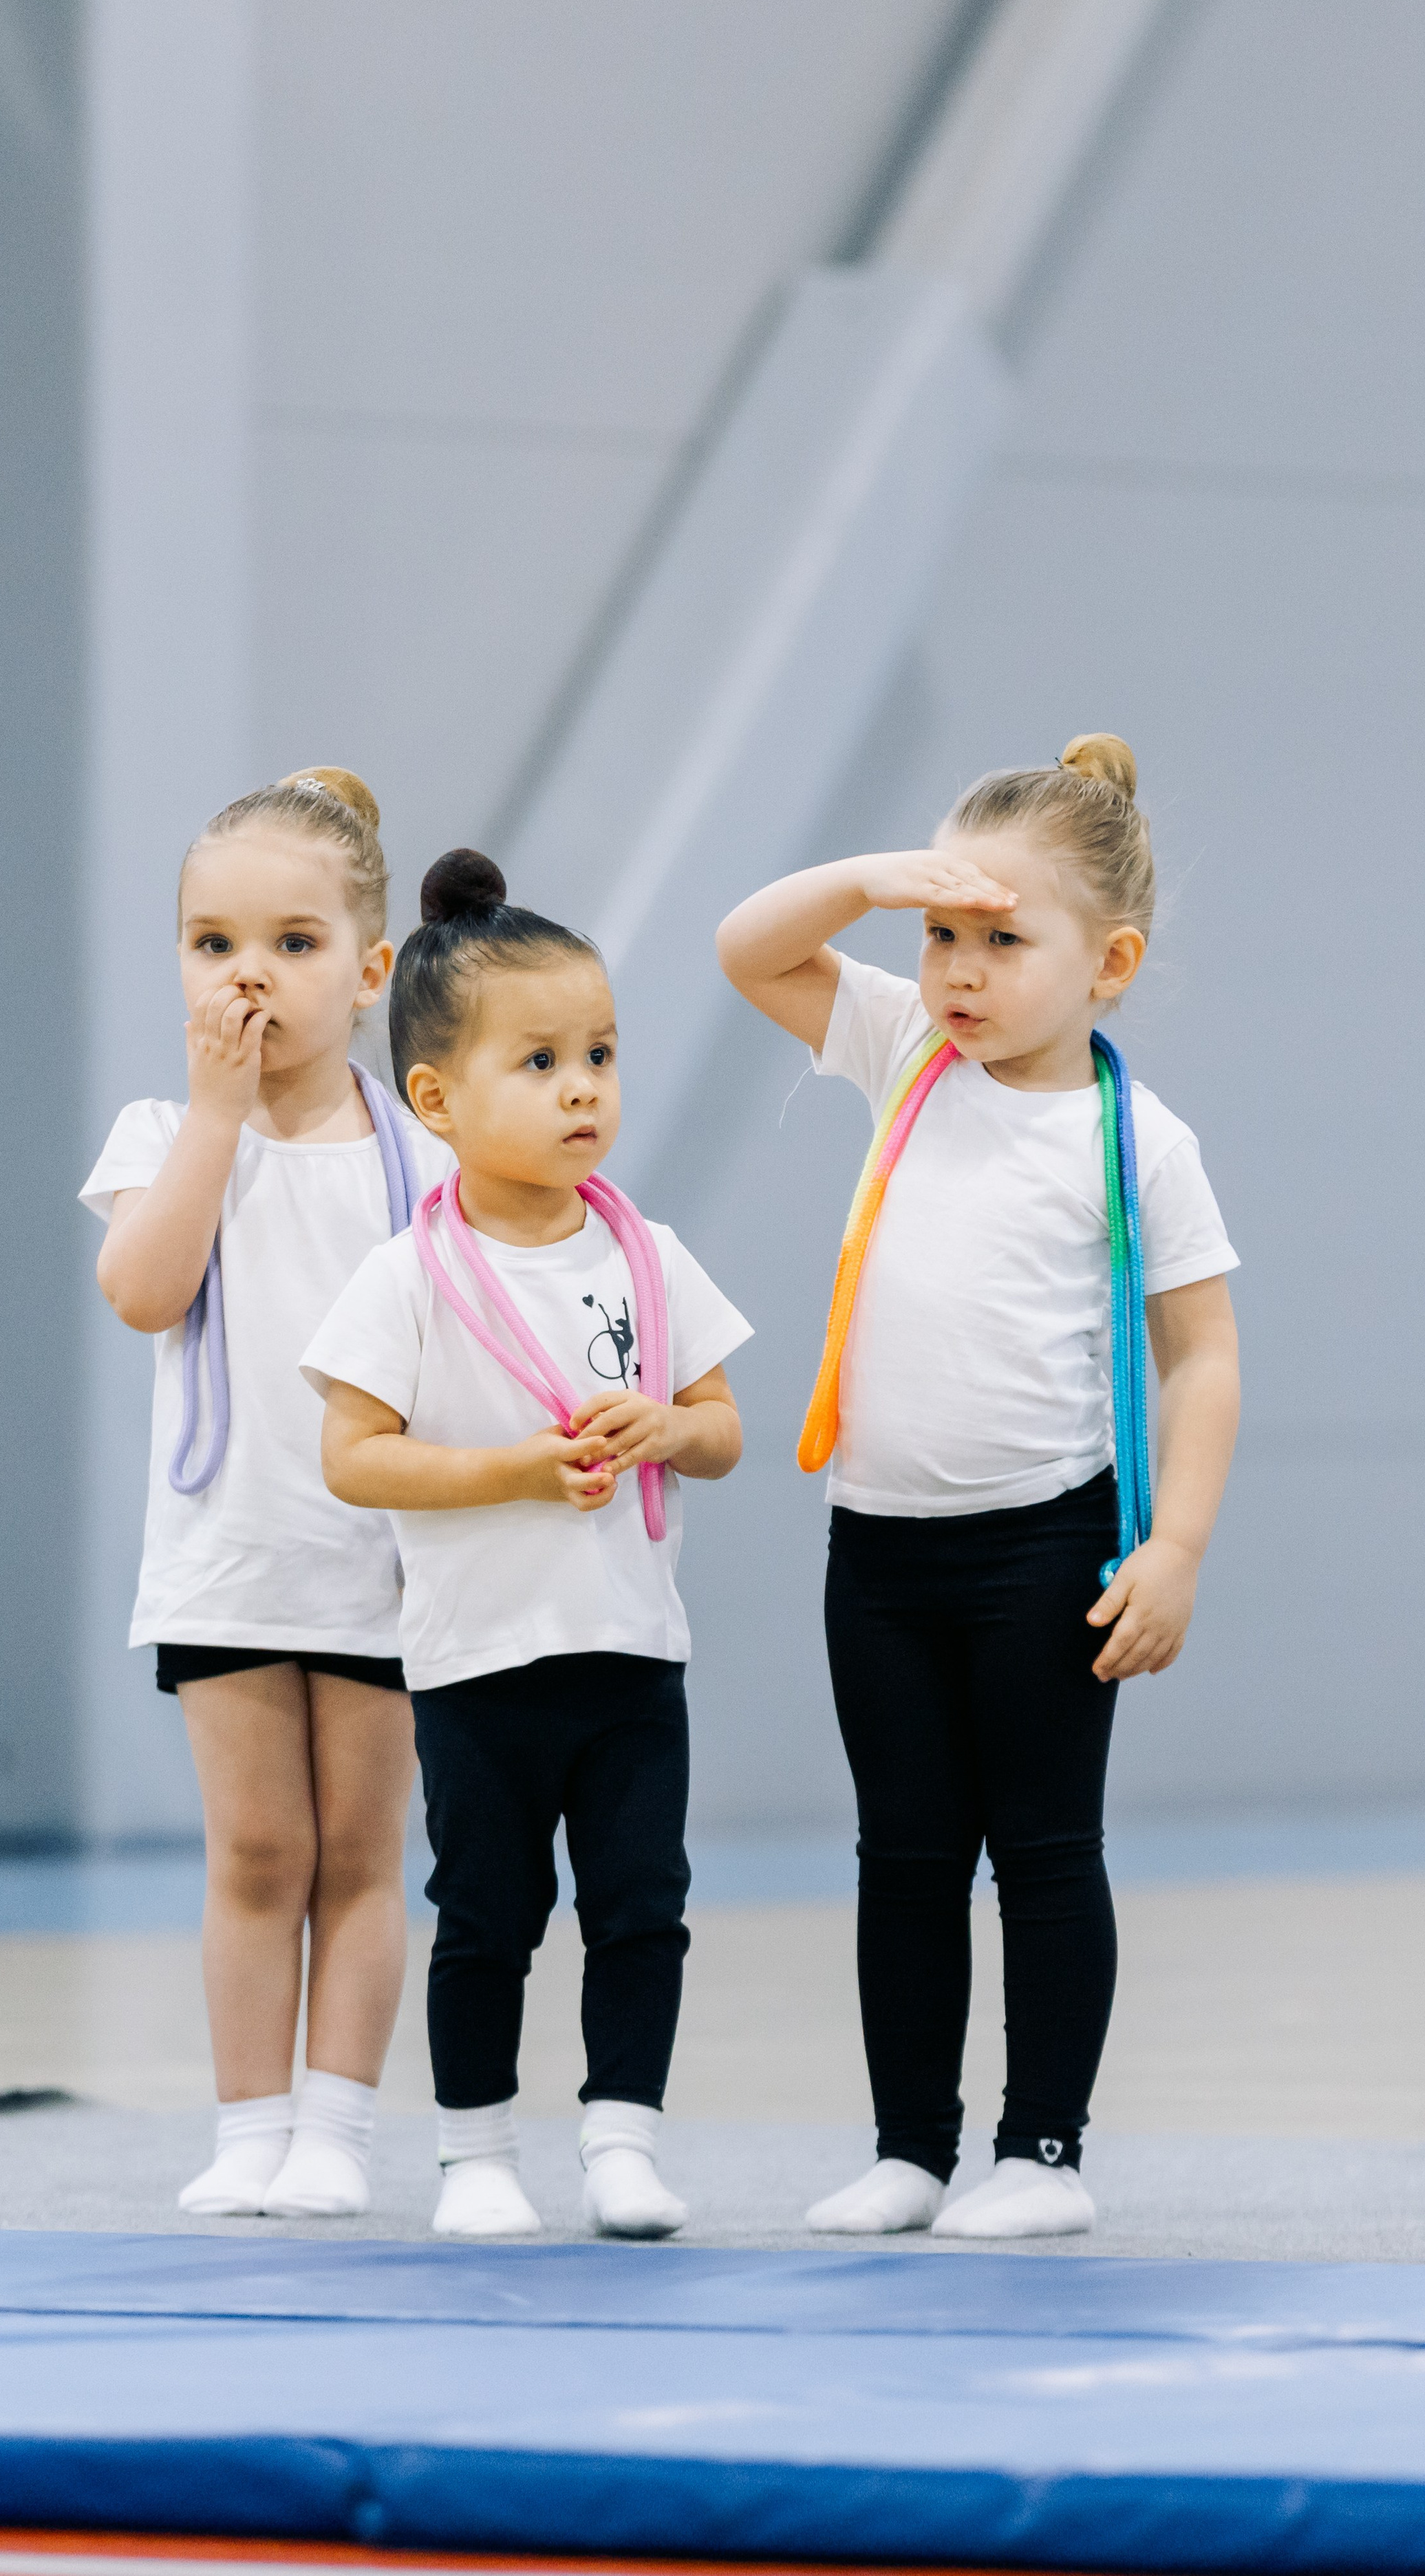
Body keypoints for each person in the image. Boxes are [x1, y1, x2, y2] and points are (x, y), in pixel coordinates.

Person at [716, 736, 1240, 2240]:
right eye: (938, 933)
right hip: (878, 1543)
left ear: (1109, 962)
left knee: (1043, 1849)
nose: (955, 967)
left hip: (1047, 1544)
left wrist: (1177, 1546)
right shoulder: (901, 1051)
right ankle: (907, 2146)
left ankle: (1040, 2153)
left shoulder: (1130, 1135)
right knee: (902, 1855)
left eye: (1000, 940)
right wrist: (872, 879)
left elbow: (1198, 1356)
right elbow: (748, 946)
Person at [301, 850, 751, 2240]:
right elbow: (352, 1457)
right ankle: (475, 2155)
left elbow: (725, 1427)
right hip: (477, 1661)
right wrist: (511, 1466)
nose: (581, 1088)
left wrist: (663, 1432)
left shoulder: (645, 1253)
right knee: (486, 1916)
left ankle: (622, 2143)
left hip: (627, 1649)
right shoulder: (408, 1276)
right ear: (435, 1100)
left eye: (598, 1055)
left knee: (638, 1910)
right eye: (541, 1060)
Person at [81, 769, 452, 2220]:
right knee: (254, 1851)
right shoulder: (156, 1137)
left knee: (359, 1855)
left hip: (385, 1560)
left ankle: (337, 2132)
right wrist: (215, 1118)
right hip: (229, 1555)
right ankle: (246, 2126)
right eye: (214, 943)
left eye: (294, 945)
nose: (251, 976)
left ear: (367, 974)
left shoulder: (427, 1158)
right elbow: (143, 1290)